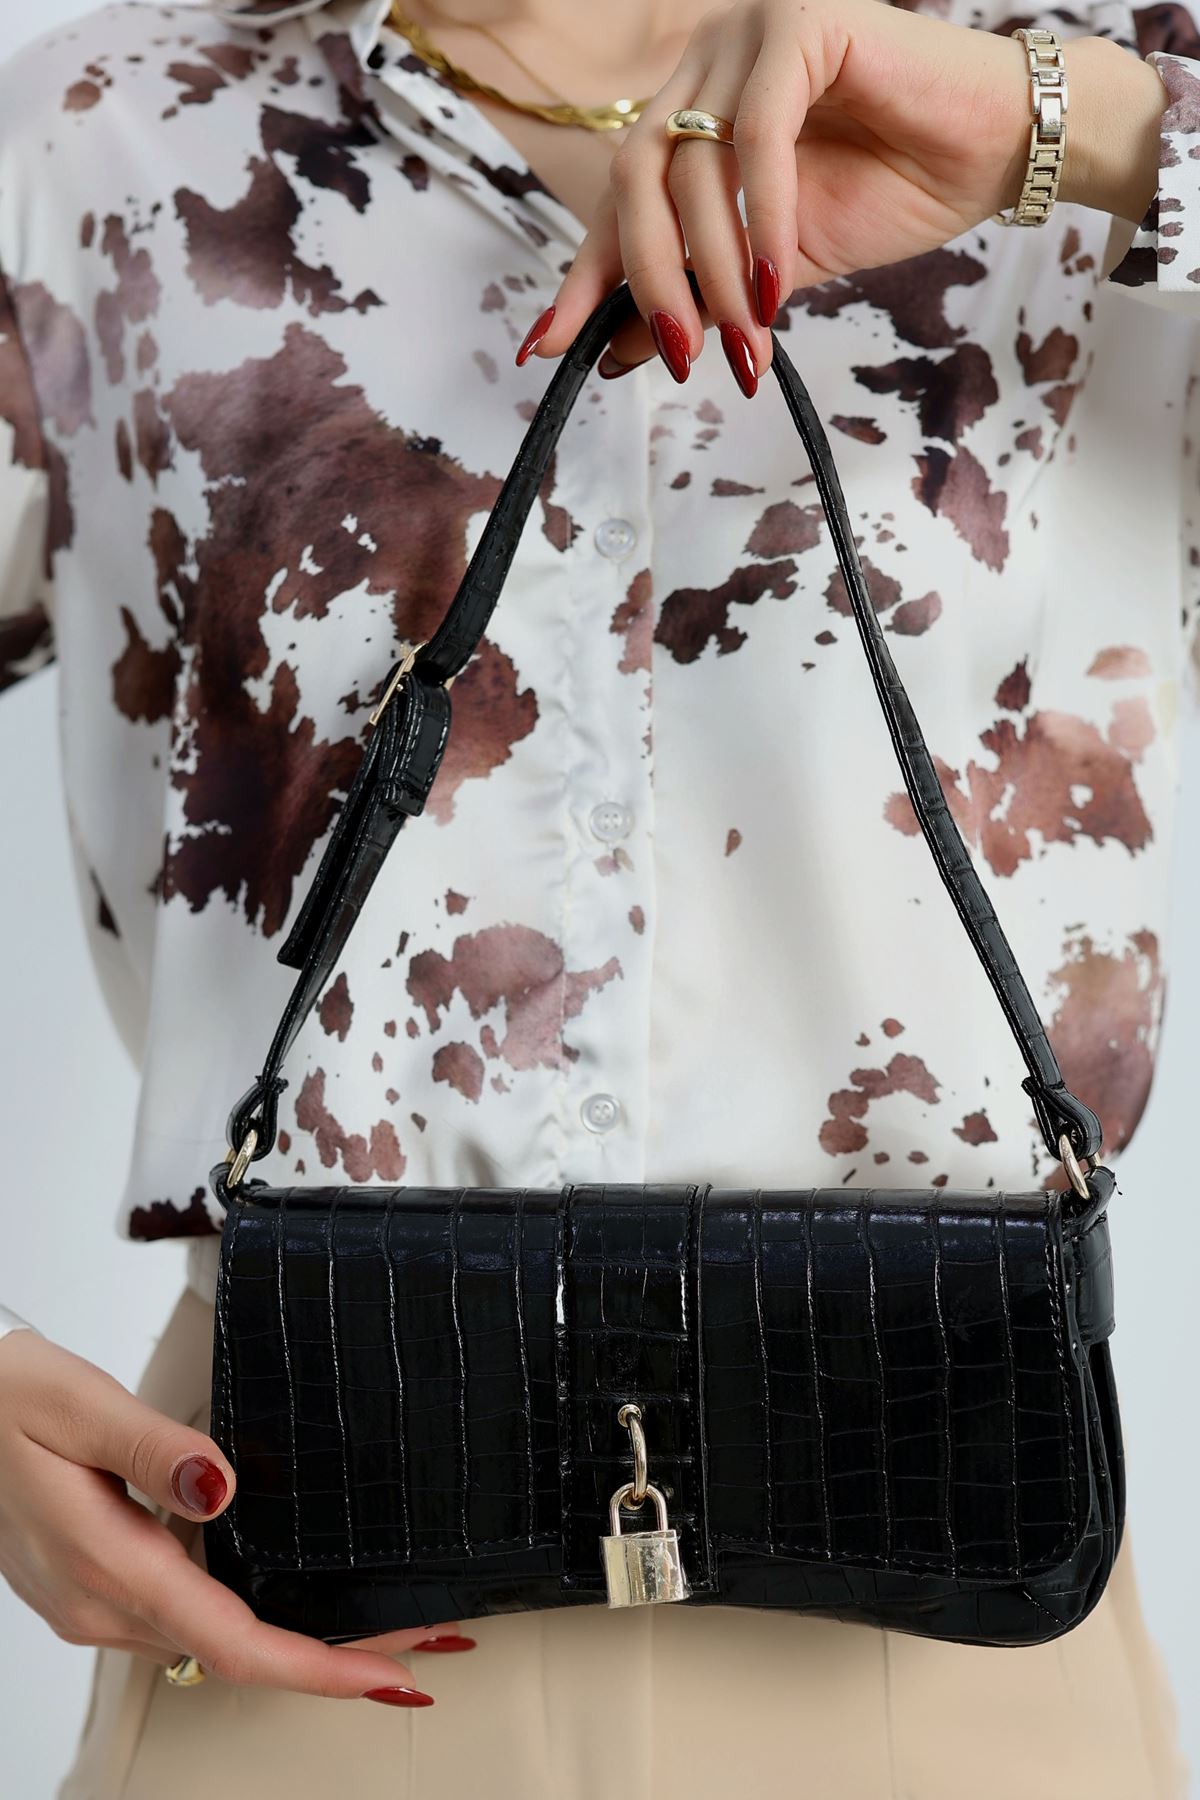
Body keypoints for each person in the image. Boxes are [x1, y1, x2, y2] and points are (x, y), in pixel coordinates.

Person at [0, 0, 1193, 1792]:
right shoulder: (103, 136)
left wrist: (1067, 127)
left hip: (951, 1591)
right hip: (282, 1584)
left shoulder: (1095, 101)